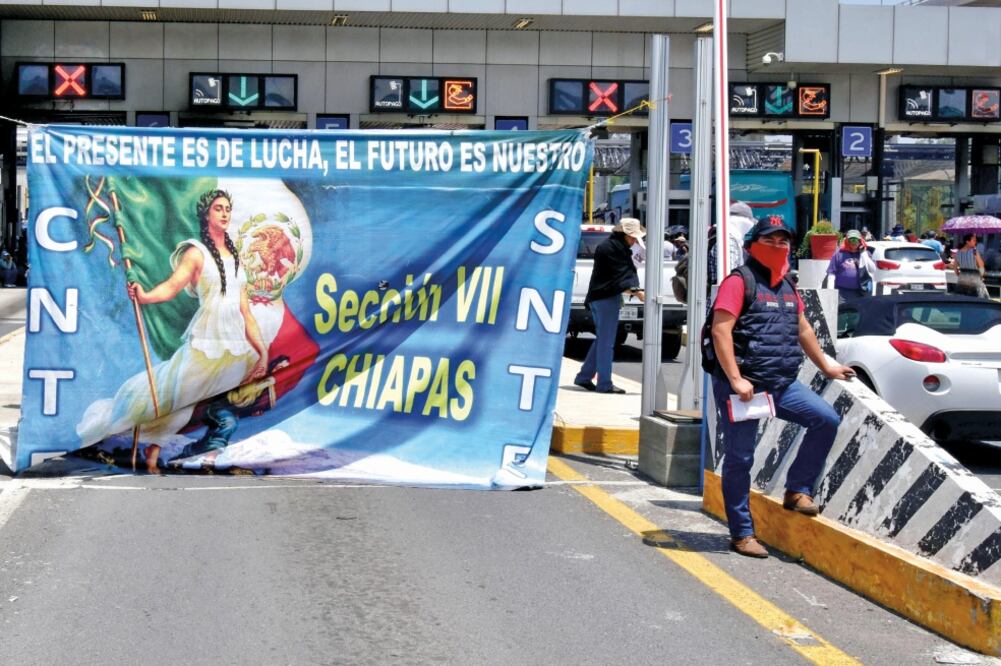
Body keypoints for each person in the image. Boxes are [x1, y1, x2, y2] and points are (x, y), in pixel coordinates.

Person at [77, 189, 269, 468]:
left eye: (228, 208)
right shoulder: (196, 253)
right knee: (180, 400)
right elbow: (171, 286)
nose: (225, 213)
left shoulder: (236, 257)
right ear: (206, 214)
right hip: (207, 341)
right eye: (218, 208)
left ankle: (209, 453)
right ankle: (145, 448)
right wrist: (144, 296)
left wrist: (261, 352)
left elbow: (246, 313)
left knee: (223, 404)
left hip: (236, 345)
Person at [709, 216, 854, 558]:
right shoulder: (739, 281)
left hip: (780, 383)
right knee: (740, 458)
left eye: (783, 241)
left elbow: (802, 328)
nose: (778, 247)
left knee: (825, 419)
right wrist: (735, 378)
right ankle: (742, 533)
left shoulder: (787, 286)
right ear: (751, 245)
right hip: (744, 386)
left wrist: (827, 366)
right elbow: (720, 331)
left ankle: (797, 490)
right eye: (769, 240)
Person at [574, 217, 645, 394]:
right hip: (606, 299)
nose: (635, 240)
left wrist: (633, 289)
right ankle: (604, 384)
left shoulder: (611, 246)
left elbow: (617, 276)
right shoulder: (615, 249)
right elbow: (621, 276)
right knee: (607, 343)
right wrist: (637, 291)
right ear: (625, 234)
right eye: (633, 237)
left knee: (602, 340)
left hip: (600, 297)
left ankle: (584, 377)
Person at [825, 230, 873, 304]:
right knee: (842, 314)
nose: (853, 243)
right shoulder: (839, 254)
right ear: (847, 241)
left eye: (855, 240)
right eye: (851, 240)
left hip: (861, 292)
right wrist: (830, 293)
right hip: (842, 293)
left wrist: (863, 253)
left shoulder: (865, 253)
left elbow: (873, 269)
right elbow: (831, 274)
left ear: (860, 241)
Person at [950, 233, 989, 298]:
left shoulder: (958, 252)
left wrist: (959, 274)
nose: (976, 242)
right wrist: (982, 275)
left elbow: (955, 267)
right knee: (977, 299)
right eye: (974, 240)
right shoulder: (974, 251)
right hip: (974, 278)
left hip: (962, 278)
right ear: (967, 242)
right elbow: (981, 265)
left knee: (962, 298)